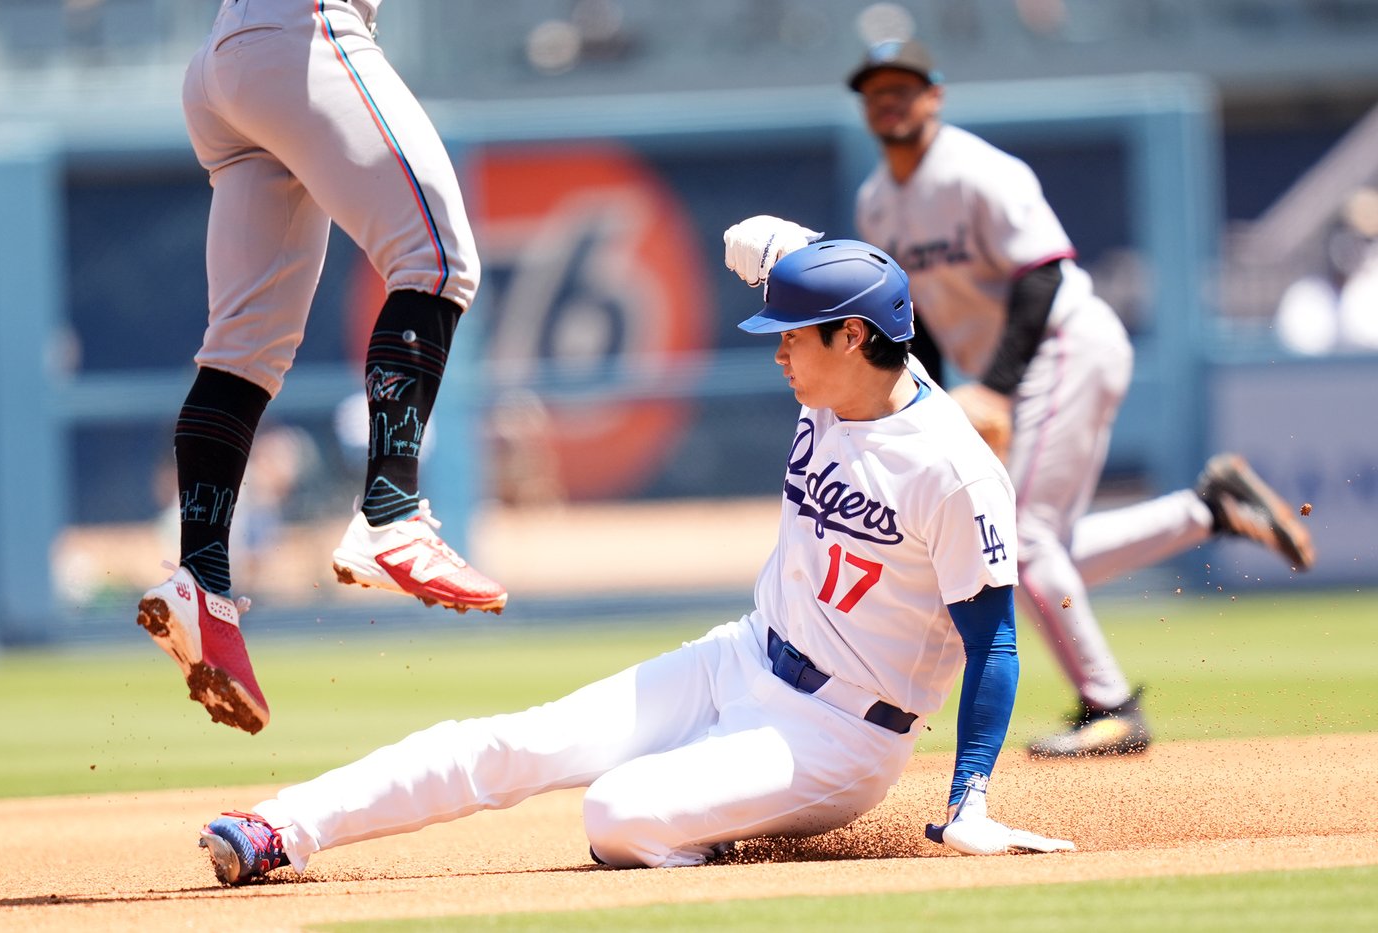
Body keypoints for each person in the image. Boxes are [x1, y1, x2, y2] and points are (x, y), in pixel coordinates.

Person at [194, 240, 1074, 886]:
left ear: (850, 337)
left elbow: (993, 643)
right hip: (741, 653)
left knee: (616, 812)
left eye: (791, 335)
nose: (776, 350)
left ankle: (707, 829)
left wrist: (970, 798)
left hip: (841, 734)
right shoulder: (844, 365)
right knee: (516, 741)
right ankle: (281, 826)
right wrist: (771, 247)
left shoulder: (953, 470)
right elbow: (829, 266)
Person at [721, 38, 1316, 759]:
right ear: (865, 105)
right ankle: (1209, 508)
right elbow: (906, 323)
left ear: (934, 96)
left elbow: (1041, 274)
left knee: (1023, 539)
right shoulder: (878, 202)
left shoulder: (976, 171)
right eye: (878, 90)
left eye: (905, 86)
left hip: (1064, 343)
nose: (891, 99)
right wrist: (927, 401)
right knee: (1024, 550)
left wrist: (995, 390)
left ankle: (1111, 704)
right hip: (1001, 368)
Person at [136, 0, 507, 737]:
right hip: (300, 32)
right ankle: (392, 514)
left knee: (242, 348)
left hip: (225, 63)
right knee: (436, 262)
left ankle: (200, 578)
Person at [1274, 186, 1378, 356]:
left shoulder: (1369, 293)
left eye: (1368, 240)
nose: (1356, 249)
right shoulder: (1305, 297)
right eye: (1349, 235)